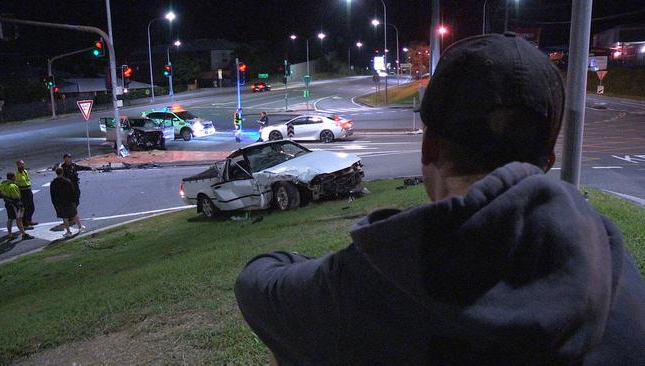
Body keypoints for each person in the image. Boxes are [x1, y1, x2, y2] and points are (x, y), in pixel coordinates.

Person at [234, 33, 645, 365]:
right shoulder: (613, 261)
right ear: (546, 160)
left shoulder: (376, 277)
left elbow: (256, 285)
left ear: (428, 146)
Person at [0, 173, 34, 241]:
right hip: (15, 205)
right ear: (12, 177)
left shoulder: (2, 184)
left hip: (7, 204)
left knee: (10, 219)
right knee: (19, 219)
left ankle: (10, 234)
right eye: (14, 177)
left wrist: (4, 196)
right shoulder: (12, 186)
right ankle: (24, 234)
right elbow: (17, 197)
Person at [50, 167, 85, 238]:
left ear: (56, 173)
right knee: (74, 214)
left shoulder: (53, 183)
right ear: (62, 172)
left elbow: (53, 194)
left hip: (60, 203)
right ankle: (80, 227)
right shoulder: (67, 181)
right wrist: (74, 200)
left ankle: (68, 232)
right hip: (69, 201)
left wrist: (55, 203)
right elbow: (72, 192)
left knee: (65, 218)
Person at [15, 159, 37, 227]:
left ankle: (29, 220)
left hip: (28, 190)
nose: (22, 165)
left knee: (31, 207)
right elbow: (16, 184)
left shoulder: (25, 171)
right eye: (21, 164)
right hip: (23, 192)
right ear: (18, 165)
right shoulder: (16, 174)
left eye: (23, 164)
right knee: (25, 208)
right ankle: (25, 222)